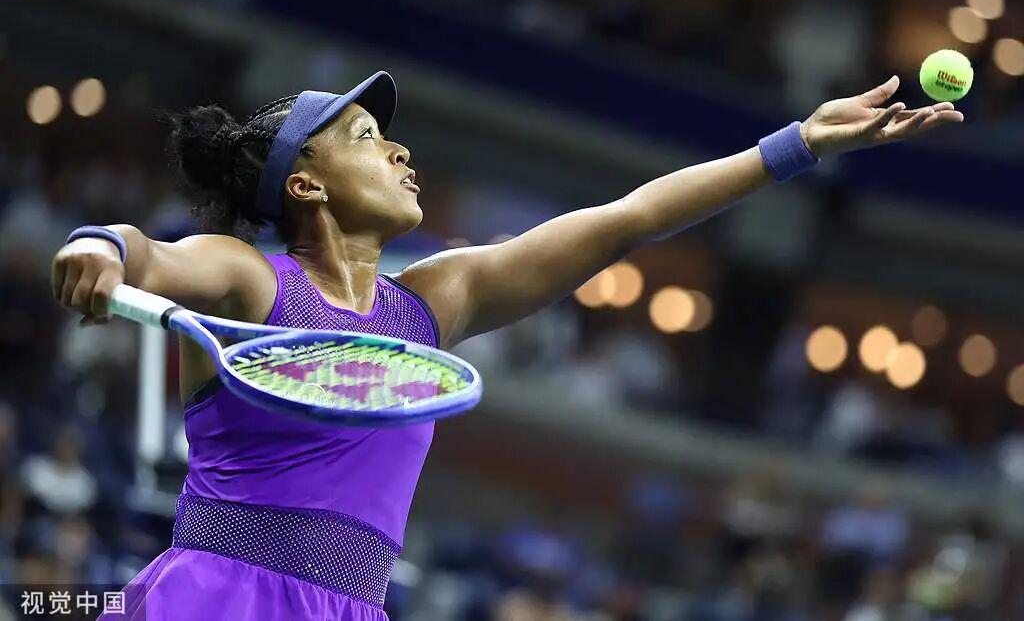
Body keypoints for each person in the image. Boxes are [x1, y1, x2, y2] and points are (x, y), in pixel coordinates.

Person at [51, 70, 960, 620]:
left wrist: (798, 144)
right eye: (368, 139)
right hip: (216, 596)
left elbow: (628, 218)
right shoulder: (253, 279)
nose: (401, 155)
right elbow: (154, 254)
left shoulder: (433, 302)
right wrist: (101, 246)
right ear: (306, 185)